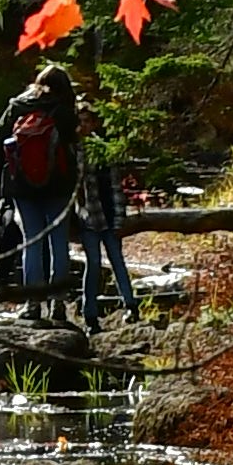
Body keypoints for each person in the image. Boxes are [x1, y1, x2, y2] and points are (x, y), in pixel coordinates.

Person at [0, 64, 82, 321]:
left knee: (31, 242)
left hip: (23, 187)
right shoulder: (64, 112)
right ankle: (58, 305)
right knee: (59, 244)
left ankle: (33, 305)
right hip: (59, 186)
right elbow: (74, 148)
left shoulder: (18, 106)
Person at [75, 102, 141, 326]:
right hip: (88, 218)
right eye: (79, 121)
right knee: (93, 263)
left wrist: (121, 216)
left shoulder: (102, 150)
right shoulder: (73, 150)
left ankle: (131, 305)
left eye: (87, 121)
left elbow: (115, 187)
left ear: (94, 123)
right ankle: (89, 314)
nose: (83, 125)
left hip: (109, 216)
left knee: (117, 261)